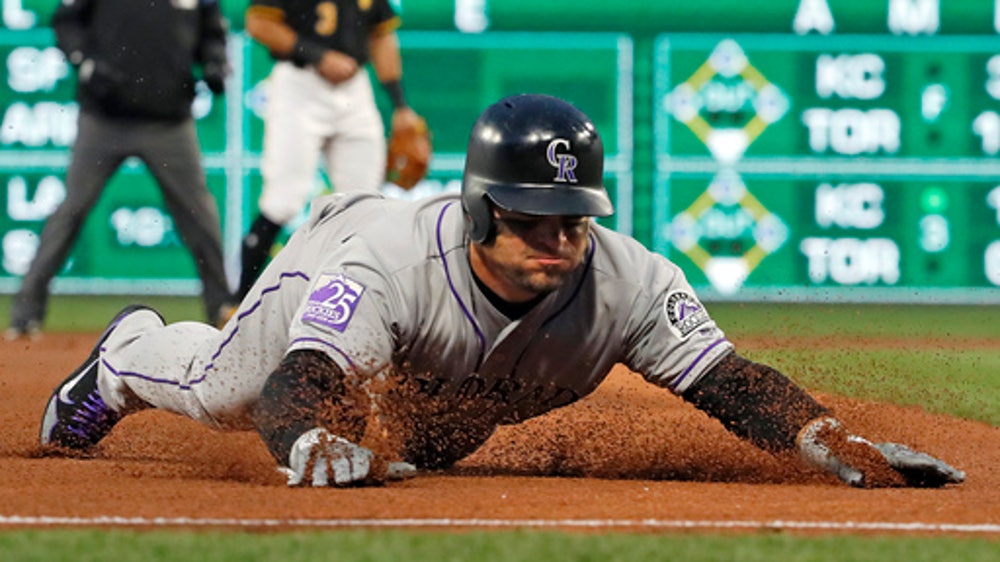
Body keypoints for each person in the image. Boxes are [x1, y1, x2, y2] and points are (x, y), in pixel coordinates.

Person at [38, 94, 965, 490]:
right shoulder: (388, 261)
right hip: (335, 258)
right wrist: (313, 439)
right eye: (532, 217)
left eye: (575, 217)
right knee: (230, 396)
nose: (561, 238)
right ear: (482, 211)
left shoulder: (630, 280)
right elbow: (299, 384)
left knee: (433, 445)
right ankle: (124, 356)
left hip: (461, 382)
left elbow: (726, 380)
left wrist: (822, 437)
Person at [5, 0, 233, 339]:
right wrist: (84, 61)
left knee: (199, 214)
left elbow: (212, 33)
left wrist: (215, 61)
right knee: (72, 209)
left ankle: (221, 310)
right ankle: (26, 314)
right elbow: (67, 22)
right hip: (104, 118)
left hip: (169, 121)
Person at [236, 0, 426, 302]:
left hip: (354, 88)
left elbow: (380, 35)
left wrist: (400, 104)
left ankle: (364, 304)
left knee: (365, 204)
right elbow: (259, 24)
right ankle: (238, 302)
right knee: (283, 200)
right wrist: (317, 55)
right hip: (299, 82)